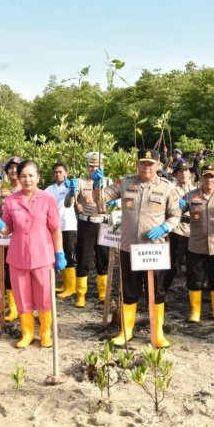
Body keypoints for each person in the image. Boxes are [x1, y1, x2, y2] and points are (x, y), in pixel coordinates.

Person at [97, 149, 181, 348]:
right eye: (143, 163)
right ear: (137, 165)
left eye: (151, 164)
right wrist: (97, 183)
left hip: (155, 249)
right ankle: (126, 331)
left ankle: (157, 332)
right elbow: (100, 199)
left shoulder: (167, 187)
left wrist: (165, 227)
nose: (147, 167)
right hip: (129, 247)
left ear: (158, 166)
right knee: (130, 290)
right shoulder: (126, 183)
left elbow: (175, 215)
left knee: (157, 291)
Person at [0, 160, 66, 348]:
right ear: (18, 178)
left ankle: (45, 333)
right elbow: (8, 229)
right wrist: (0, 226)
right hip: (18, 257)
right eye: (23, 175)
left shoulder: (47, 199)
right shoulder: (11, 200)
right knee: (22, 297)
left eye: (31, 175)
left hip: (43, 256)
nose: (27, 179)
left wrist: (60, 253)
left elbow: (56, 229)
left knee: (44, 297)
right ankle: (27, 333)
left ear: (38, 177)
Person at [63, 153, 111, 305]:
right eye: (91, 166)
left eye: (96, 166)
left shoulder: (108, 181)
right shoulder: (79, 182)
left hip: (103, 223)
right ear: (87, 166)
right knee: (83, 258)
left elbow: (116, 201)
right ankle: (81, 294)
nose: (93, 169)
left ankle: (103, 293)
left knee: (103, 258)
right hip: (86, 224)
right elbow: (68, 204)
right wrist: (71, 193)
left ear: (102, 166)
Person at [184, 164, 214, 322]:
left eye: (212, 176)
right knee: (195, 280)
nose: (209, 179)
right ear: (201, 178)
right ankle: (195, 312)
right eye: (206, 176)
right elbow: (175, 212)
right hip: (196, 246)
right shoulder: (190, 196)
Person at [0, 156, 23, 321]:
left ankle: (28, 306)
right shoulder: (0, 190)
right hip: (5, 236)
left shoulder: (29, 189)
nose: (13, 170)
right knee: (8, 271)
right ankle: (13, 308)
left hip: (24, 238)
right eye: (10, 168)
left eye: (17, 167)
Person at [45, 163, 77, 302]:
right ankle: (65, 284)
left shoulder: (71, 186)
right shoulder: (50, 189)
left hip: (68, 225)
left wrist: (72, 191)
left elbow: (74, 200)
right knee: (59, 255)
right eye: (55, 172)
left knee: (68, 255)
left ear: (66, 172)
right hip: (53, 226)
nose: (58, 174)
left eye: (60, 172)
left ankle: (71, 287)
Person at [163, 161, 193, 291]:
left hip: (195, 229)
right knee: (174, 264)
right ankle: (162, 290)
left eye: (186, 171)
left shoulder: (196, 189)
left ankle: (193, 291)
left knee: (193, 264)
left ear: (191, 174)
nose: (184, 173)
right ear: (176, 174)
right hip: (178, 228)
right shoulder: (171, 188)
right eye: (180, 171)